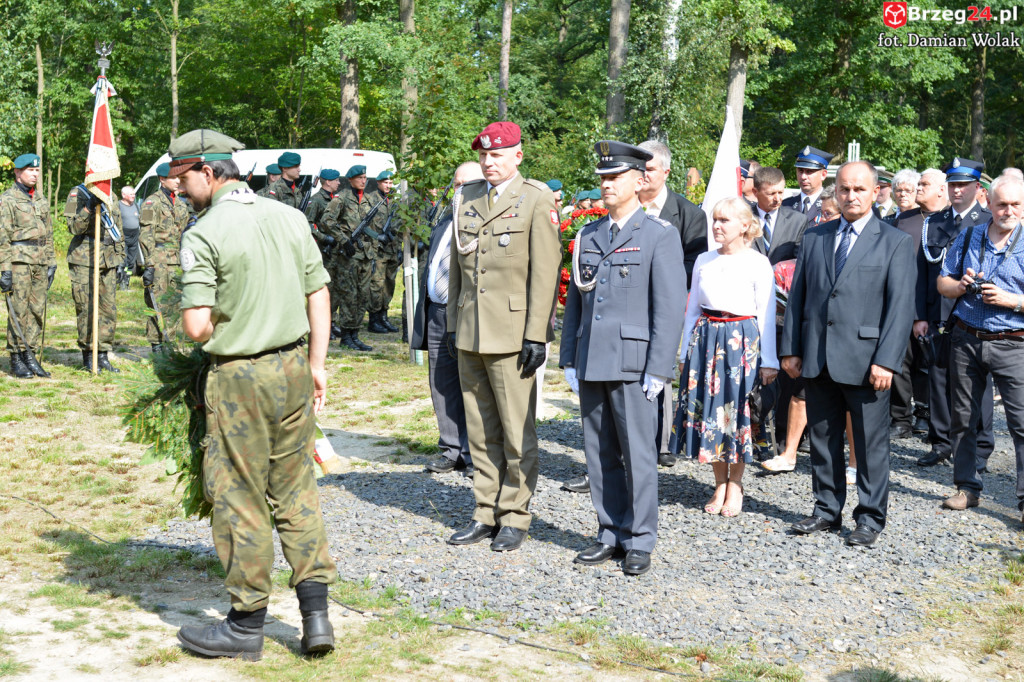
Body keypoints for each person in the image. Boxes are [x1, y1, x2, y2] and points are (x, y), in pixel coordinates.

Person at [168, 128, 337, 661]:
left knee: (239, 495)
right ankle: (316, 617)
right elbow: (319, 293)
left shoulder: (203, 233)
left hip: (239, 379)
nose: (180, 189)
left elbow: (196, 327)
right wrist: (316, 366)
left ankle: (245, 626)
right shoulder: (288, 216)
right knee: (296, 490)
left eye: (184, 178)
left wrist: (216, 313)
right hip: (292, 367)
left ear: (209, 171)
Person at [559, 141, 684, 575]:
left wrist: (659, 369)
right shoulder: (588, 235)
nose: (607, 184)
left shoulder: (658, 236)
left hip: (635, 365)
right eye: (603, 178)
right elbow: (577, 300)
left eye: (615, 177)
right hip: (593, 358)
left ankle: (640, 538)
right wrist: (570, 358)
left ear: (639, 180)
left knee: (638, 455)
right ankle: (609, 532)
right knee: (599, 453)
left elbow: (669, 309)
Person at [781, 161, 915, 547]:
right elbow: (799, 298)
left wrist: (887, 360)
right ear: (835, 191)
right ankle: (826, 510)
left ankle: (870, 518)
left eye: (859, 189)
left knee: (871, 446)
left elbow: (900, 307)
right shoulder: (817, 237)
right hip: (818, 356)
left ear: (875, 192)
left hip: (868, 362)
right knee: (822, 439)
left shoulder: (894, 242)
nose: (851, 196)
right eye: (844, 189)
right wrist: (791, 348)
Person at [445, 121, 561, 553]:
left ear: (518, 155)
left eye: (497, 155)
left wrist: (537, 335)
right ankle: (484, 511)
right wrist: (455, 326)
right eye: (483, 155)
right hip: (471, 331)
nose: (488, 162)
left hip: (514, 335)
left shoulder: (535, 198)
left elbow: (545, 272)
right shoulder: (468, 197)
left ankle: (514, 515)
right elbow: (459, 268)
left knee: (516, 432)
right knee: (479, 431)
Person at [673, 197, 778, 516]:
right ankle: (719, 484)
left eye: (725, 221)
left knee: (736, 415)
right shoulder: (704, 259)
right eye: (715, 220)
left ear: (744, 225)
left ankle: (736, 485)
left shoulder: (758, 262)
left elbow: (766, 313)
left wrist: (769, 359)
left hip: (740, 343)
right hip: (706, 341)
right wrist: (683, 351)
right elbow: (692, 310)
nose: (717, 226)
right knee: (711, 416)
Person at [937, 173, 1024, 516]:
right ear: (988, 203)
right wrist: (960, 286)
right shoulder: (970, 235)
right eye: (1002, 204)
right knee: (963, 418)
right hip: (966, 338)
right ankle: (967, 487)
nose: (1008, 211)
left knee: (1021, 424)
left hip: (1014, 343)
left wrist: (1012, 300)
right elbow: (942, 281)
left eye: (1016, 204)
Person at [914, 160, 995, 467]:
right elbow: (922, 273)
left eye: (963, 185)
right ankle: (941, 441)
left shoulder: (988, 220)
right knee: (937, 376)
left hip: (973, 314)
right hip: (937, 313)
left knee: (978, 383)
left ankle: (981, 447)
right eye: (953, 184)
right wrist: (918, 315)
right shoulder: (934, 222)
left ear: (977, 187)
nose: (957, 190)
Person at [637, 139, 706, 469]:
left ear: (666, 171)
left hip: (667, 306)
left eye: (648, 168)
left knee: (660, 371)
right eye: (637, 167)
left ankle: (663, 442)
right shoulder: (623, 204)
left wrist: (659, 282)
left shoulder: (690, 215)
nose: (641, 174)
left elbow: (694, 263)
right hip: (627, 307)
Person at [413, 161, 484, 474]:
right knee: (441, 382)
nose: (459, 190)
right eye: (456, 184)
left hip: (467, 313)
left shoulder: (485, 224)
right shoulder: (444, 220)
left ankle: (473, 454)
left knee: (472, 385)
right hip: (436, 311)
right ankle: (450, 448)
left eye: (466, 184)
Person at [747, 165, 809, 473]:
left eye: (782, 192)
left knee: (784, 375)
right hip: (748, 305)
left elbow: (799, 262)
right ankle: (753, 436)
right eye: (771, 194)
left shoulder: (797, 220)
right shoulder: (744, 215)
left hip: (783, 311)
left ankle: (783, 437)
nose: (777, 199)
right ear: (756, 191)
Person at [0, 153, 56, 378]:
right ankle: (16, 357)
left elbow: (49, 233)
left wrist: (51, 261)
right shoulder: (8, 199)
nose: (34, 174)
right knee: (19, 310)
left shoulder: (41, 199)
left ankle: (29, 354)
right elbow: (2, 236)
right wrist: (4, 268)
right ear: (17, 173)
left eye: (36, 171)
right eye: (30, 171)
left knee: (37, 309)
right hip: (19, 261)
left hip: (40, 260)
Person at [64, 182, 125, 373]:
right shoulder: (77, 194)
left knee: (108, 309)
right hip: (85, 257)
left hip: (109, 258)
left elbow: (119, 230)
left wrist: (121, 257)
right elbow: (73, 227)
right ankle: (88, 355)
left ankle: (103, 354)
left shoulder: (112, 195)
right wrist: (88, 207)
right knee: (86, 308)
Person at [322, 165, 375, 352]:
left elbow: (374, 227)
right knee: (349, 296)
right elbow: (327, 221)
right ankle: (346, 335)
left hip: (365, 254)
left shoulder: (369, 199)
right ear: (350, 179)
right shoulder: (341, 198)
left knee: (363, 295)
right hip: (349, 255)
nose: (363, 181)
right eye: (360, 177)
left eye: (365, 177)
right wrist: (343, 240)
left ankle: (355, 334)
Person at [139, 162, 190, 353]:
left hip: (176, 259)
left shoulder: (181, 204)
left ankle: (173, 343)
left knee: (175, 303)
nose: (178, 181)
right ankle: (156, 344)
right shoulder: (152, 202)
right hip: (158, 258)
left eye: (179, 177)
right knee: (156, 303)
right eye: (173, 178)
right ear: (162, 179)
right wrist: (149, 264)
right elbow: (146, 234)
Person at [365, 169, 400, 334]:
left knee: (389, 283)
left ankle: (384, 316)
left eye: (391, 183)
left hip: (392, 249)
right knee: (376, 285)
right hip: (377, 249)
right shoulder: (371, 199)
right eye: (385, 182)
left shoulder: (395, 200)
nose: (388, 185)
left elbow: (400, 223)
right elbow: (362, 224)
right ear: (378, 183)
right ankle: (374, 319)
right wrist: (377, 237)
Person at [781, 145, 835, 225]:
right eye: (800, 171)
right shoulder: (785, 206)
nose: (803, 177)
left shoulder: (833, 205)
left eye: (809, 172)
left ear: (823, 175)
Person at [119, 186, 141, 286]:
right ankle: (120, 281)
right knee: (123, 260)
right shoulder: (118, 205)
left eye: (134, 194)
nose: (133, 196)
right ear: (124, 195)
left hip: (134, 236)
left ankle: (127, 280)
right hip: (123, 236)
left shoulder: (135, 205)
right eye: (131, 194)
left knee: (131, 262)